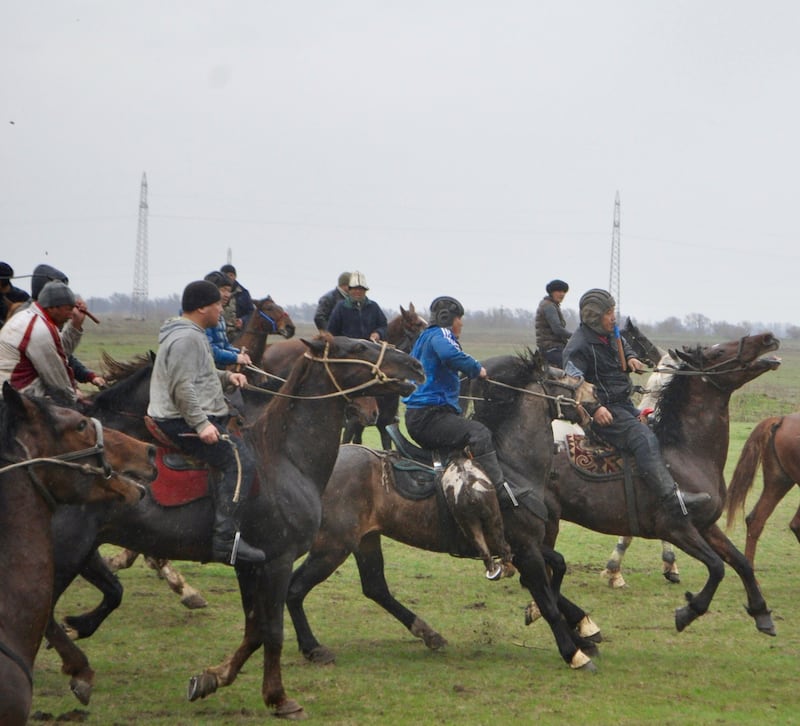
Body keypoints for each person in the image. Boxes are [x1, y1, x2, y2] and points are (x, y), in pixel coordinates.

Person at [562, 288, 710, 516]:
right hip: (605, 412)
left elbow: (621, 342)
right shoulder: (578, 347)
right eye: (609, 313)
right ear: (594, 316)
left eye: (613, 311)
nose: (614, 316)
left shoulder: (610, 333)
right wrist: (595, 408)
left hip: (623, 405)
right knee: (644, 439)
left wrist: (631, 357)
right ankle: (671, 498)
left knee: (661, 430)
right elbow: (573, 383)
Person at [148, 280, 265, 565]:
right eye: (218, 306)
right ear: (202, 307)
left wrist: (227, 377)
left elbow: (201, 372)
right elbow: (181, 387)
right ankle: (225, 542)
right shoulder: (186, 338)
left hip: (186, 415)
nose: (221, 312)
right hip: (178, 421)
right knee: (239, 459)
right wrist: (201, 425)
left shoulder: (193, 334)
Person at [402, 296, 513, 579]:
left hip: (424, 415)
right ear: (449, 317)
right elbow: (450, 356)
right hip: (429, 417)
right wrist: (477, 368)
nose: (461, 323)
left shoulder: (425, 337)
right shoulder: (440, 334)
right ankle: (497, 492)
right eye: (460, 318)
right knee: (479, 432)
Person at [0, 280, 81, 405]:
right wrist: (75, 402)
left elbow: (59, 351)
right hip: (14, 400)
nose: (71, 315)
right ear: (53, 307)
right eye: (68, 309)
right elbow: (57, 380)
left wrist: (76, 325)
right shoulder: (39, 329)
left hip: (11, 393)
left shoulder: (30, 318)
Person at [203, 272, 252, 369]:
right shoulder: (203, 316)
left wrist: (239, 353)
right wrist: (235, 357)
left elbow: (224, 345)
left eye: (229, 291)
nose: (227, 295)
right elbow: (209, 350)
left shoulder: (219, 314)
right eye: (223, 290)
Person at [326, 271, 387, 342]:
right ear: (349, 290)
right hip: (346, 348)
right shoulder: (340, 307)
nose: (358, 291)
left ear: (365, 291)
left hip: (370, 347)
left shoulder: (374, 306)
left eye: (361, 289)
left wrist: (378, 333)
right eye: (355, 289)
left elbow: (383, 326)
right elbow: (331, 331)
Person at [535, 279, 572, 367]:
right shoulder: (549, 306)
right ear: (551, 292)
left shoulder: (550, 304)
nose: (562, 294)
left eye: (564, 292)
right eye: (559, 291)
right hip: (552, 348)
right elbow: (558, 329)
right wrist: (575, 336)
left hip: (550, 347)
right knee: (572, 368)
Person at [220, 264, 255, 338]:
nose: (228, 277)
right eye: (225, 275)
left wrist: (243, 321)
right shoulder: (214, 290)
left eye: (231, 275)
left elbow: (251, 312)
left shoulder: (243, 293)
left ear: (235, 276)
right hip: (219, 331)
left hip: (237, 333)